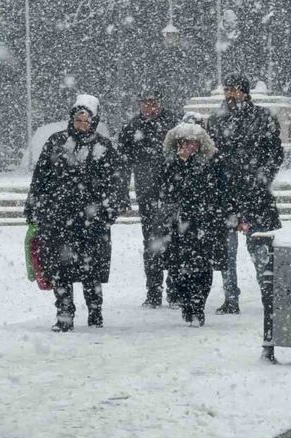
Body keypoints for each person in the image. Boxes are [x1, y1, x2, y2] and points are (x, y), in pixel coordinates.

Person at [25, 95, 122, 332]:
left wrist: (109, 210)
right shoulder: (56, 142)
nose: (81, 124)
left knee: (91, 270)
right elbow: (41, 178)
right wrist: (33, 204)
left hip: (92, 220)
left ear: (94, 120)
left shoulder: (104, 147)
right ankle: (64, 314)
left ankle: (95, 311)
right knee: (60, 269)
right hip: (59, 218)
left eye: (86, 119)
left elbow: (116, 183)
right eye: (77, 119)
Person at [207, 74, 284, 314]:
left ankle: (268, 295)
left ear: (245, 93)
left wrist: (261, 179)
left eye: (235, 90)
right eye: (227, 90)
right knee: (226, 253)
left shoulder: (263, 117)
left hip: (255, 195)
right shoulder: (216, 120)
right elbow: (211, 156)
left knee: (261, 250)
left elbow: (275, 154)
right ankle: (231, 298)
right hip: (226, 195)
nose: (230, 95)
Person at [156, 122, 232, 326]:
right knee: (177, 268)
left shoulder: (213, 162)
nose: (189, 146)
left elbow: (221, 190)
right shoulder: (169, 163)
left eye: (193, 142)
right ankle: (187, 303)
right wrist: (178, 164)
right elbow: (165, 190)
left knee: (202, 267)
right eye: (184, 142)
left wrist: (222, 214)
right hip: (178, 223)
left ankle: (198, 306)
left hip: (204, 222)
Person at [117, 89, 181, 308]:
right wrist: (122, 192)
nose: (148, 107)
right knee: (151, 242)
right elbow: (123, 164)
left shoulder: (174, 124)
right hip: (147, 193)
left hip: (173, 192)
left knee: (175, 241)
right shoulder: (132, 128)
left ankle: (175, 291)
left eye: (152, 103)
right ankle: (153, 291)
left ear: (160, 103)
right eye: (144, 103)